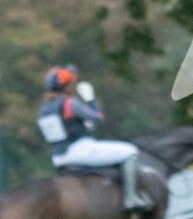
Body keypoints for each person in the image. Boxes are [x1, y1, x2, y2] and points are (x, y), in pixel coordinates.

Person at [35, 66, 151, 211]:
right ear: (65, 86)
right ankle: (131, 199)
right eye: (70, 83)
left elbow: (66, 129)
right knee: (130, 152)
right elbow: (98, 119)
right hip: (80, 150)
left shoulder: (43, 110)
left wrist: (83, 126)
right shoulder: (70, 103)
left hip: (58, 158)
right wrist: (91, 100)